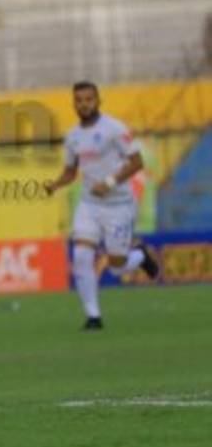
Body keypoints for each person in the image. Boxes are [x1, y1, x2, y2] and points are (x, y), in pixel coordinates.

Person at [44, 82, 159, 330]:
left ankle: (140, 255)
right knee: (81, 256)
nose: (84, 104)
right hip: (89, 204)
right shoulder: (73, 137)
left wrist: (109, 183)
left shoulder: (114, 129)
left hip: (118, 205)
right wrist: (55, 184)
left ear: (98, 101)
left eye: (88, 99)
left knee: (117, 268)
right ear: (74, 104)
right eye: (79, 100)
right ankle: (93, 316)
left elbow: (137, 162)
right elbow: (70, 171)